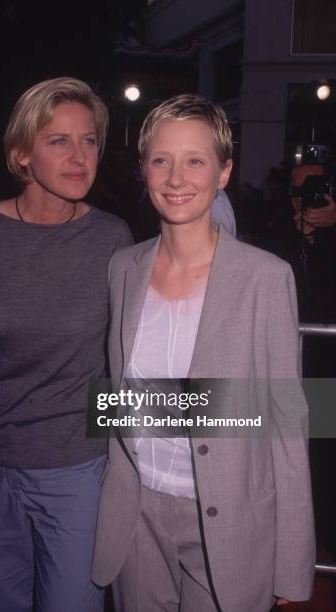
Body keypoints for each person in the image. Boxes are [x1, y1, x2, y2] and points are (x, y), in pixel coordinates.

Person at [92, 94, 316, 611]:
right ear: (143, 168)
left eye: (195, 160)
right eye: (161, 160)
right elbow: (119, 396)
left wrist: (292, 556)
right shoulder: (122, 267)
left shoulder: (266, 277)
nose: (176, 178)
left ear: (223, 172)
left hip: (229, 519)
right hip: (136, 516)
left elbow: (285, 418)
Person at [0, 77, 132, 612]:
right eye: (58, 141)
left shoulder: (112, 240)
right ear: (21, 154)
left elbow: (132, 358)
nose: (79, 156)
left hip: (79, 471)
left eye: (89, 140)